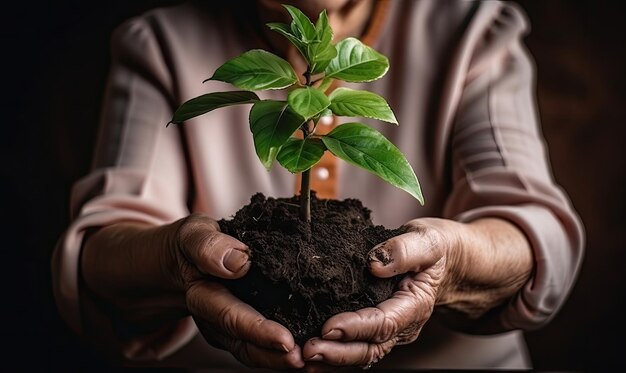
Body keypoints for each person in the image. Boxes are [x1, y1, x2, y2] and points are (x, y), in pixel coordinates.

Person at [52, 0, 584, 370]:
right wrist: (174, 255)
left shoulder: (475, 29)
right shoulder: (159, 42)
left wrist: (452, 261)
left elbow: (535, 234)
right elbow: (100, 253)